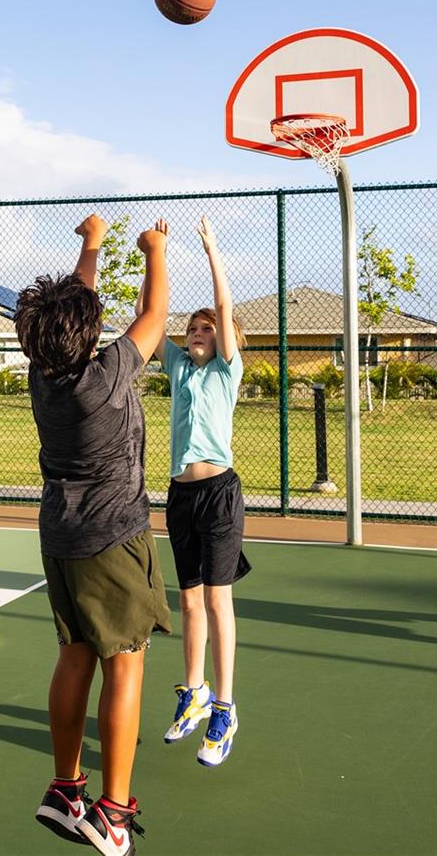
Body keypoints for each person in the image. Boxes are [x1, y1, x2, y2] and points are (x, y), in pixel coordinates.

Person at [18, 214, 170, 855]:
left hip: (61, 537)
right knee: (126, 664)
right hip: (113, 537)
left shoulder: (44, 374)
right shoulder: (102, 377)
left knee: (75, 653)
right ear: (86, 333)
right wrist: (156, 251)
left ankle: (64, 788)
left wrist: (92, 245)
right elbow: (156, 316)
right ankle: (111, 811)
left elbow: (76, 305)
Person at [154, 217, 248, 767]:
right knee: (188, 599)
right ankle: (194, 693)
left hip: (219, 494)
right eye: (194, 327)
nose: (198, 331)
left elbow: (224, 307)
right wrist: (157, 256)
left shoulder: (225, 372)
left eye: (207, 328)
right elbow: (151, 320)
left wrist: (212, 248)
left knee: (218, 598)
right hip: (181, 497)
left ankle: (226, 707)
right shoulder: (178, 370)